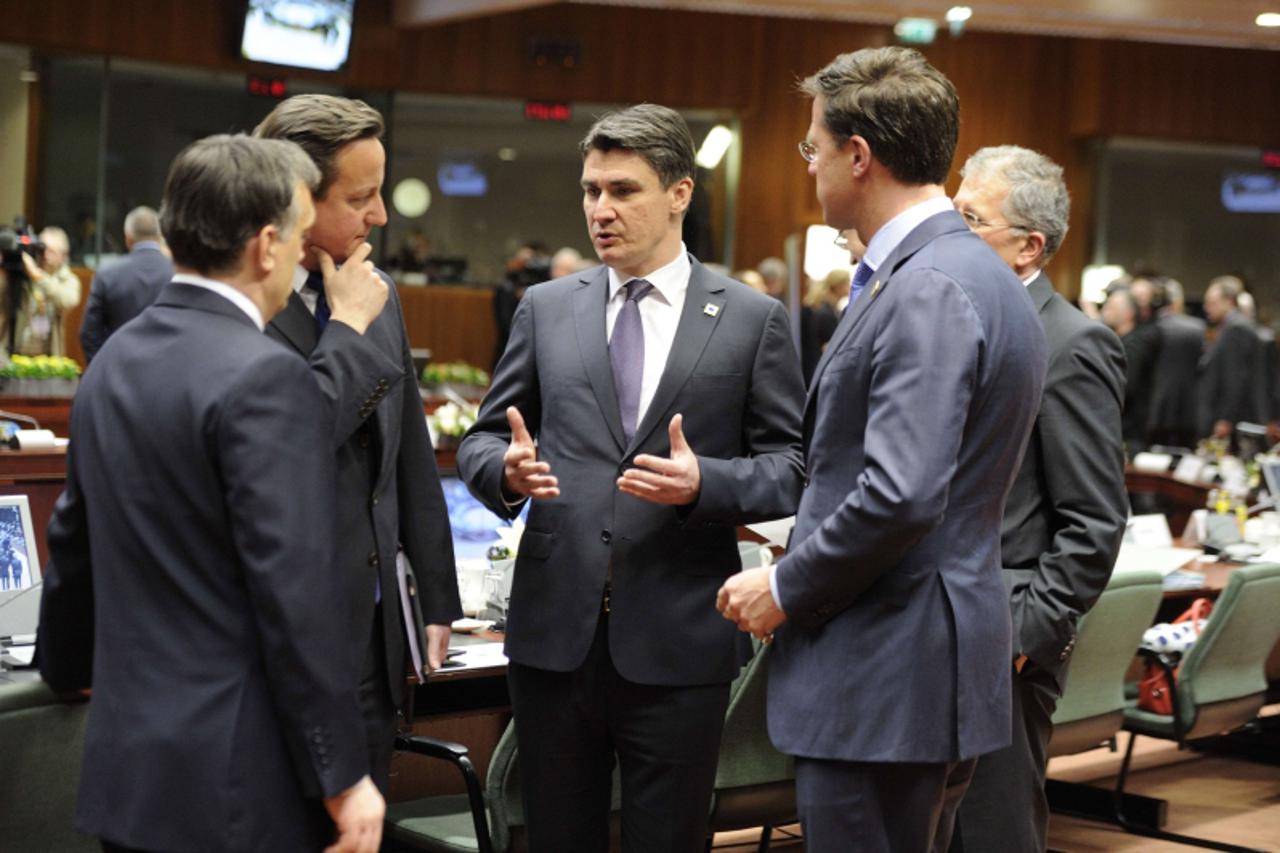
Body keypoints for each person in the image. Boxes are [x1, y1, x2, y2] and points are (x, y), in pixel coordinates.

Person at [717, 47, 1046, 851]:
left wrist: (786, 583)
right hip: (925, 667)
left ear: (857, 156)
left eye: (811, 148)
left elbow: (901, 491)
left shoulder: (926, 284)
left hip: (885, 675)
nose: (809, 168)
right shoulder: (973, 271)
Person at [457, 103, 805, 853]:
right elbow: (483, 439)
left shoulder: (751, 319)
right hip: (554, 639)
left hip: (680, 637)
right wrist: (508, 472)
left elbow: (791, 471)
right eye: (591, 191)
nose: (600, 210)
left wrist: (703, 483)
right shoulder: (547, 308)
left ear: (679, 193)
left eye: (623, 190)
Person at [37, 134, 385, 852]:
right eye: (293, 235)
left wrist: (64, 668)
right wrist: (343, 774)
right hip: (237, 785)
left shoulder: (110, 362)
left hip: (129, 777)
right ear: (265, 245)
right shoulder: (266, 376)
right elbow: (294, 591)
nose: (297, 253)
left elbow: (72, 542)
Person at [253, 94, 462, 791]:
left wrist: (437, 598)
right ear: (297, 202)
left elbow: (408, 452)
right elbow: (291, 447)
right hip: (285, 643)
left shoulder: (378, 291)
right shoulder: (245, 304)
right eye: (362, 197)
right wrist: (344, 327)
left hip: (375, 636)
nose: (380, 216)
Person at [949, 145, 1128, 853]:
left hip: (1003, 637)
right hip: (930, 632)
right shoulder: (956, 319)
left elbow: (1094, 519)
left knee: (992, 834)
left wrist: (1025, 635)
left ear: (1028, 245)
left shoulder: (1073, 344)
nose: (950, 233)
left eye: (970, 218)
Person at [79, 206, 175, 362]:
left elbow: (89, 333)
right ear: (160, 236)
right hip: (166, 369)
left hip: (119, 368)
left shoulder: (107, 274)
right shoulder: (177, 273)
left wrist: (103, 369)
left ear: (128, 237)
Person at [1198, 275, 1259, 440]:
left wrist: (1226, 418)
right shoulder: (1229, 326)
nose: (1206, 307)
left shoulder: (1236, 329)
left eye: (1212, 303)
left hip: (1225, 416)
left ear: (1229, 302)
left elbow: (1235, 377)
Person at [1101, 285, 1160, 451]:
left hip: (1129, 431)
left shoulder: (1135, 345)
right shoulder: (1119, 342)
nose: (1105, 310)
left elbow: (1126, 386)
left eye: (1111, 307)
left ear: (1128, 314)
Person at [1148, 277, 1205, 448]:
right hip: (1190, 408)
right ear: (1178, 300)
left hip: (1154, 407)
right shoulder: (1198, 328)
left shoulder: (1150, 328)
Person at [11, 226, 81, 356]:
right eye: (42, 249)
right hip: (17, 351)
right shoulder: (22, 274)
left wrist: (38, 276)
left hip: (48, 355)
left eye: (51, 251)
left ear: (63, 256)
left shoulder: (69, 280)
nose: (44, 255)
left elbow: (68, 300)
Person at [799, 267, 849, 383]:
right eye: (847, 283)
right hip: (816, 367)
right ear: (838, 286)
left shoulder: (828, 308)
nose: (849, 286)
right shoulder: (825, 312)